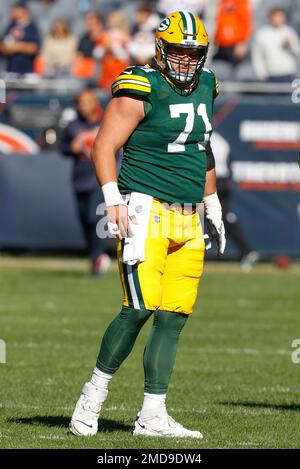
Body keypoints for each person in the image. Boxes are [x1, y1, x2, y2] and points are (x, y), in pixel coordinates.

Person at [70, 11, 226, 438]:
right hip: (146, 209)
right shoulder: (141, 85)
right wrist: (111, 198)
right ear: (160, 49)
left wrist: (211, 200)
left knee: (174, 314)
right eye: (177, 51)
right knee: (138, 308)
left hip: (188, 214)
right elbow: (104, 144)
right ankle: (93, 394)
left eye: (192, 53)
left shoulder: (209, 84)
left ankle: (152, 415)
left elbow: (203, 146)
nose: (184, 61)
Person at [60, 89, 111, 276]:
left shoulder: (106, 122)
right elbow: (63, 148)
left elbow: (118, 148)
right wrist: (71, 148)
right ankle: (95, 257)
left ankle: (98, 256)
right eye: (80, 102)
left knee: (92, 217)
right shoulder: (73, 126)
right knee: (84, 220)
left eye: (86, 101)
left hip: (99, 178)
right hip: (79, 178)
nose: (83, 106)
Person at [210, 131, 259, 271]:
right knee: (225, 217)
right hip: (221, 180)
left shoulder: (210, 140)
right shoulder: (221, 140)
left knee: (195, 213)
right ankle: (246, 250)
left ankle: (246, 250)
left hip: (214, 180)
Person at [252, 7, 300, 82]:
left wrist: (289, 45)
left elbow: (297, 51)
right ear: (270, 18)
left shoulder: (289, 32)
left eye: (281, 16)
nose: (278, 19)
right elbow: (257, 56)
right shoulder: (262, 34)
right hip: (270, 75)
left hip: (288, 74)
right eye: (276, 16)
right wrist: (261, 73)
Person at [0, 2, 40, 74]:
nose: (12, 12)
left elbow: (34, 48)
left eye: (15, 9)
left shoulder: (32, 27)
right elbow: (2, 46)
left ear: (23, 11)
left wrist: (15, 47)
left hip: (26, 71)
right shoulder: (10, 26)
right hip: (10, 70)